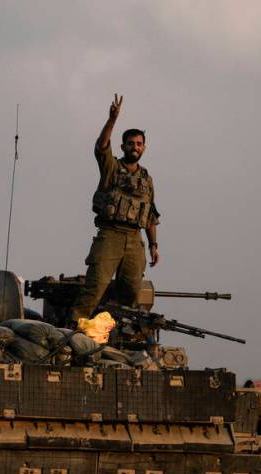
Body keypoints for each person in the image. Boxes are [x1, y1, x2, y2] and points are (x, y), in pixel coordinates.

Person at [70, 94, 160, 325]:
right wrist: (112, 120)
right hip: (110, 235)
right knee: (95, 285)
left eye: (139, 144)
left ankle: (114, 329)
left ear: (144, 147)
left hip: (134, 238)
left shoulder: (146, 179)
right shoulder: (112, 168)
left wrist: (153, 246)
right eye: (131, 143)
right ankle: (74, 328)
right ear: (123, 146)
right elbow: (101, 148)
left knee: (132, 290)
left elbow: (151, 216)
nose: (135, 147)